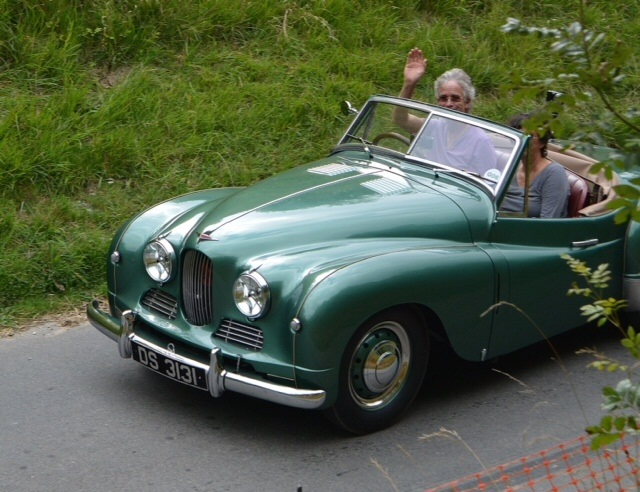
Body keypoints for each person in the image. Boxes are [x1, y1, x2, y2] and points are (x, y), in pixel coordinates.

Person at [393, 48, 498, 178]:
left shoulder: (480, 141)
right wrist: (409, 84)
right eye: (443, 98)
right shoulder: (435, 126)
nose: (448, 104)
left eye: (455, 98)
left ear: (467, 102)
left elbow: (489, 187)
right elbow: (401, 119)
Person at [500, 113, 570, 218]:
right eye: (518, 136)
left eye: (529, 137)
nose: (522, 141)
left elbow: (547, 223)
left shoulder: (554, 174)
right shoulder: (509, 166)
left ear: (542, 143)